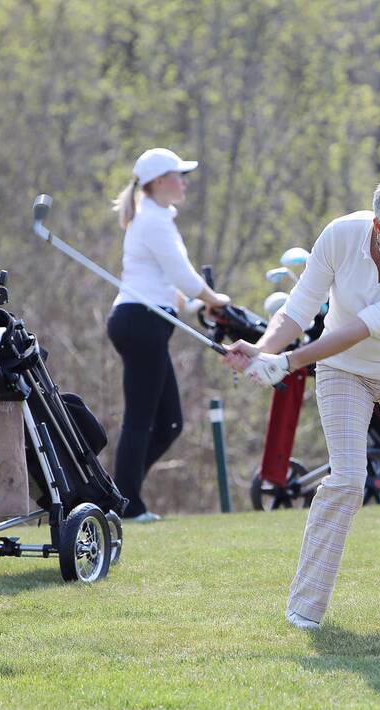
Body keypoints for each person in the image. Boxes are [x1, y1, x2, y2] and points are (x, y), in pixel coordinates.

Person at [223, 170, 380, 629]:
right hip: (344, 373)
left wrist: (288, 363)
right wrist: (263, 349)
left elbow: (361, 328)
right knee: (348, 481)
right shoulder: (340, 235)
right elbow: (300, 306)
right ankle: (304, 609)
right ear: (378, 227)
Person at [107, 148, 229, 523]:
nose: (184, 181)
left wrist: (198, 305)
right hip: (139, 321)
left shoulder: (157, 218)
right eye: (179, 175)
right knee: (141, 419)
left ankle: (117, 494)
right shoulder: (153, 220)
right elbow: (184, 277)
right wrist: (214, 298)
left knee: (170, 423)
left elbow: (174, 293)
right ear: (159, 182)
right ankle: (126, 503)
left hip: (149, 320)